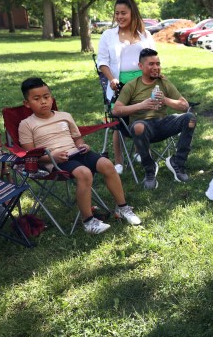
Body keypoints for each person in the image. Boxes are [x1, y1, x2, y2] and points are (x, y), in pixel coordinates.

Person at [18, 77, 141, 234]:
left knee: (107, 165)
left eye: (46, 97)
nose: (43, 102)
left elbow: (77, 138)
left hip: (75, 153)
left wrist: (82, 146)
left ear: (51, 97)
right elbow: (30, 155)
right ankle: (88, 221)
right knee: (84, 173)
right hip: (54, 161)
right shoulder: (27, 124)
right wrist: (51, 157)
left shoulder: (65, 116)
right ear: (27, 103)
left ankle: (122, 208)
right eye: (36, 99)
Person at [112, 48, 196, 189]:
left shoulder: (164, 83)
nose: (156, 67)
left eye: (158, 63)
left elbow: (184, 105)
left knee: (190, 118)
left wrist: (165, 100)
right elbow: (116, 110)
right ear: (141, 66)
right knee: (139, 127)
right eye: (151, 64)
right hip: (143, 126)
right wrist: (141, 105)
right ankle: (150, 169)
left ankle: (177, 162)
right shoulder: (132, 85)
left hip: (163, 123)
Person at [97, 0, 155, 175]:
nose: (120, 17)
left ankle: (140, 152)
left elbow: (153, 58)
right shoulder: (108, 35)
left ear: (132, 13)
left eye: (124, 13)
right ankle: (119, 161)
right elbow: (102, 62)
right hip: (119, 83)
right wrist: (112, 78)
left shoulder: (144, 34)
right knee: (119, 124)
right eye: (117, 13)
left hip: (143, 82)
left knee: (143, 119)